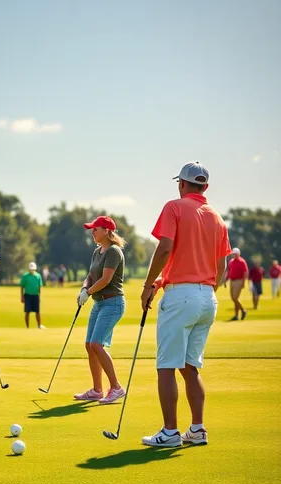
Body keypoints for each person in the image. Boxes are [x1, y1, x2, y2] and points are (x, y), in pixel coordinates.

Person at [140, 162, 231, 447]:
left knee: (166, 365)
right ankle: (197, 429)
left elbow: (166, 247)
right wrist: (167, 282)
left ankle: (169, 433)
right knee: (190, 366)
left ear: (181, 184)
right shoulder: (217, 217)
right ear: (205, 186)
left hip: (182, 298)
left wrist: (147, 284)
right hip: (207, 298)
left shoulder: (174, 207)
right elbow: (221, 265)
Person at [73, 215, 126, 404]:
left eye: (95, 229)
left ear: (106, 231)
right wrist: (83, 289)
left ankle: (117, 388)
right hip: (99, 303)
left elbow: (105, 279)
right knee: (89, 345)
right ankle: (97, 390)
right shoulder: (97, 251)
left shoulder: (113, 251)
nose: (92, 232)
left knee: (96, 344)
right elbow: (90, 275)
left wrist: (88, 292)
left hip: (113, 303)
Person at [225, 247, 248, 321]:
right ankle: (236, 315)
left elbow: (245, 272)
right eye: (233, 254)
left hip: (239, 281)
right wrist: (226, 280)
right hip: (232, 281)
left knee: (235, 298)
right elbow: (229, 272)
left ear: (238, 254)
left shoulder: (242, 262)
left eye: (235, 254)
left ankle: (243, 310)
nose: (233, 255)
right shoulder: (231, 261)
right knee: (233, 298)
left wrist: (244, 282)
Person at [20, 262, 45, 329]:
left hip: (35, 295)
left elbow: (39, 287)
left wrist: (39, 296)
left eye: (33, 269)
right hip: (27, 295)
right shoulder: (25, 276)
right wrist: (22, 296)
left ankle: (39, 325)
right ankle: (27, 327)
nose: (32, 270)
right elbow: (22, 286)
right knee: (27, 312)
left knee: (37, 312)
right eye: (31, 269)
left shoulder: (38, 276)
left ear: (35, 269)